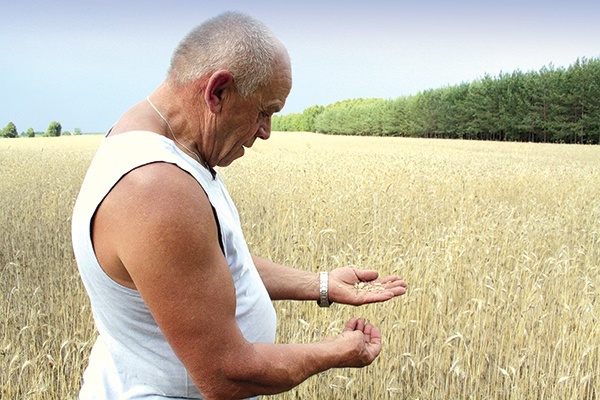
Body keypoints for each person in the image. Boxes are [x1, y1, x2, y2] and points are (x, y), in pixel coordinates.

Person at [71, 11, 407, 400]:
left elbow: (209, 268)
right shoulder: (156, 190)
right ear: (218, 91)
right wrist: (337, 350)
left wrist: (321, 284)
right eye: (264, 111)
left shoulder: (170, 147)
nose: (265, 132)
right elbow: (226, 373)